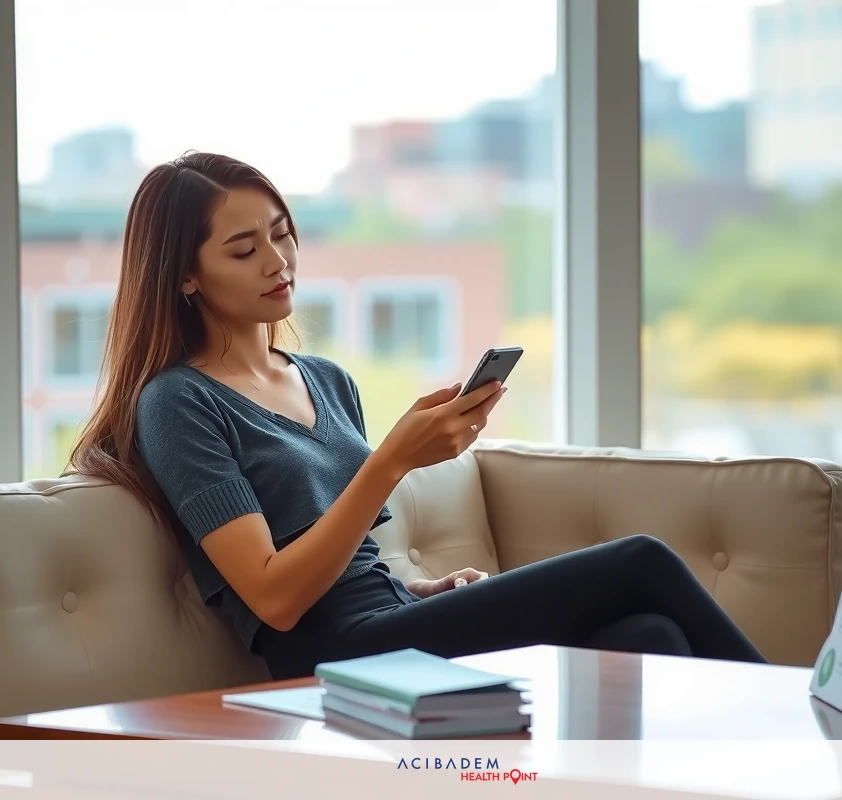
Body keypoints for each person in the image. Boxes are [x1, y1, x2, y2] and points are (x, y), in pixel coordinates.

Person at [68, 151, 767, 680]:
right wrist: (392, 460)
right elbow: (277, 599)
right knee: (639, 562)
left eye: (282, 234)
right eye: (244, 250)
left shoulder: (326, 380)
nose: (277, 260)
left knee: (649, 636)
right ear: (186, 277)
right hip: (334, 659)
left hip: (393, 618)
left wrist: (419, 589)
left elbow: (351, 560)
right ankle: (822, 742)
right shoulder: (177, 402)